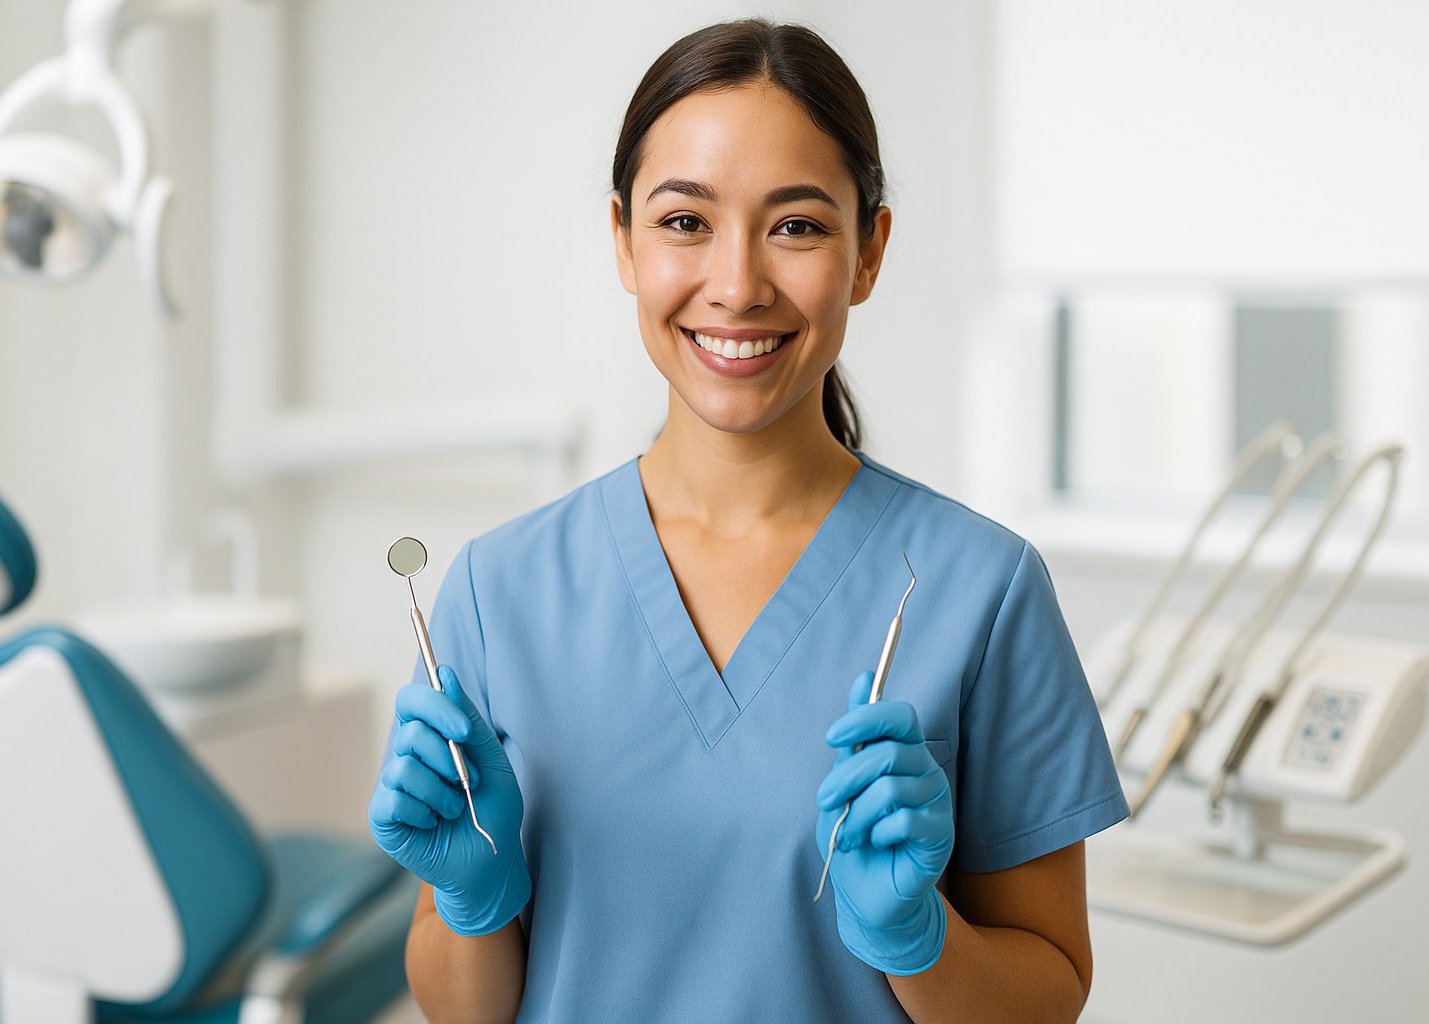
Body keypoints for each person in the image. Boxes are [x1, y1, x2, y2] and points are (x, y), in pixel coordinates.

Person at [368, 19, 1128, 1023]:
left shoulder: (980, 592)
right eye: (685, 222)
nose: (736, 285)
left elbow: (1049, 992)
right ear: (623, 241)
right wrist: (473, 901)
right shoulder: (496, 591)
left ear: (869, 252)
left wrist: (919, 939)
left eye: (798, 226)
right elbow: (467, 1011)